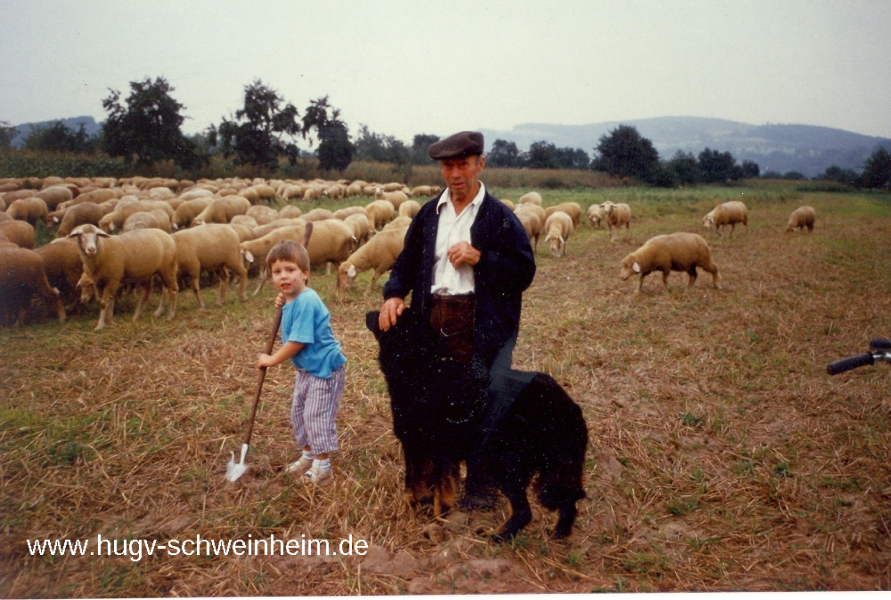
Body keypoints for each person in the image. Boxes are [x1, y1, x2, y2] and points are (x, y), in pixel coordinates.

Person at [378, 130, 536, 505]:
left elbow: (523, 272)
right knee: (433, 400)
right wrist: (394, 294)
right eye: (448, 166)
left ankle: (482, 487)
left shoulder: (500, 217)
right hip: (433, 318)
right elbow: (406, 262)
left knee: (484, 400)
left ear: (480, 164)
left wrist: (481, 258)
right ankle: (437, 480)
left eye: (463, 164)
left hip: (482, 324)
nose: (455, 174)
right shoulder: (429, 214)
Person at [258, 240, 347, 486]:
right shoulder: (292, 297)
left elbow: (298, 341)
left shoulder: (308, 300)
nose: (283, 276)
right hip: (307, 370)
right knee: (299, 414)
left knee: (316, 416)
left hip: (324, 369)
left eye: (290, 270)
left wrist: (272, 359)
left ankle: (323, 468)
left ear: (305, 274)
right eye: (277, 272)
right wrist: (285, 299)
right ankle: (309, 456)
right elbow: (291, 304)